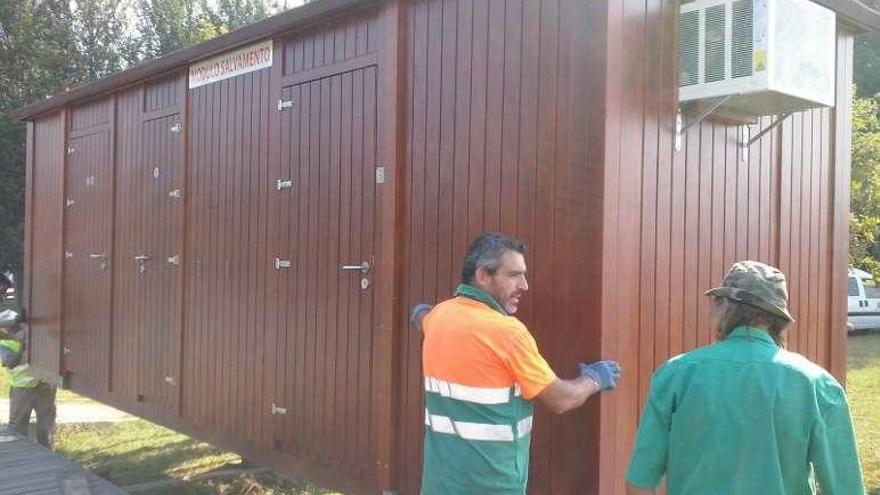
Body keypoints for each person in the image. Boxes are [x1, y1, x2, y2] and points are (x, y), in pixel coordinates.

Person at [625, 261, 864, 495]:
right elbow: (846, 487)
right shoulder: (817, 384)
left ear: (722, 307)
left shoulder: (675, 375)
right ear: (779, 320)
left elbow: (639, 480)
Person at [411, 232, 621, 494]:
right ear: (483, 276)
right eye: (513, 275)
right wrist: (594, 379)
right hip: (492, 487)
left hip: (438, 486)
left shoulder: (440, 317)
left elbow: (423, 319)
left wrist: (419, 312)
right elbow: (561, 399)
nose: (524, 285)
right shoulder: (507, 333)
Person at [0, 272, 56, 448]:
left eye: (4, 292)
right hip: (23, 388)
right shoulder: (7, 340)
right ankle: (18, 457)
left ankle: (48, 458)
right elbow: (10, 361)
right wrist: (21, 344)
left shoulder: (23, 329)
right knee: (18, 429)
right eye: (1, 292)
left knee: (46, 428)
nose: (2, 296)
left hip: (45, 382)